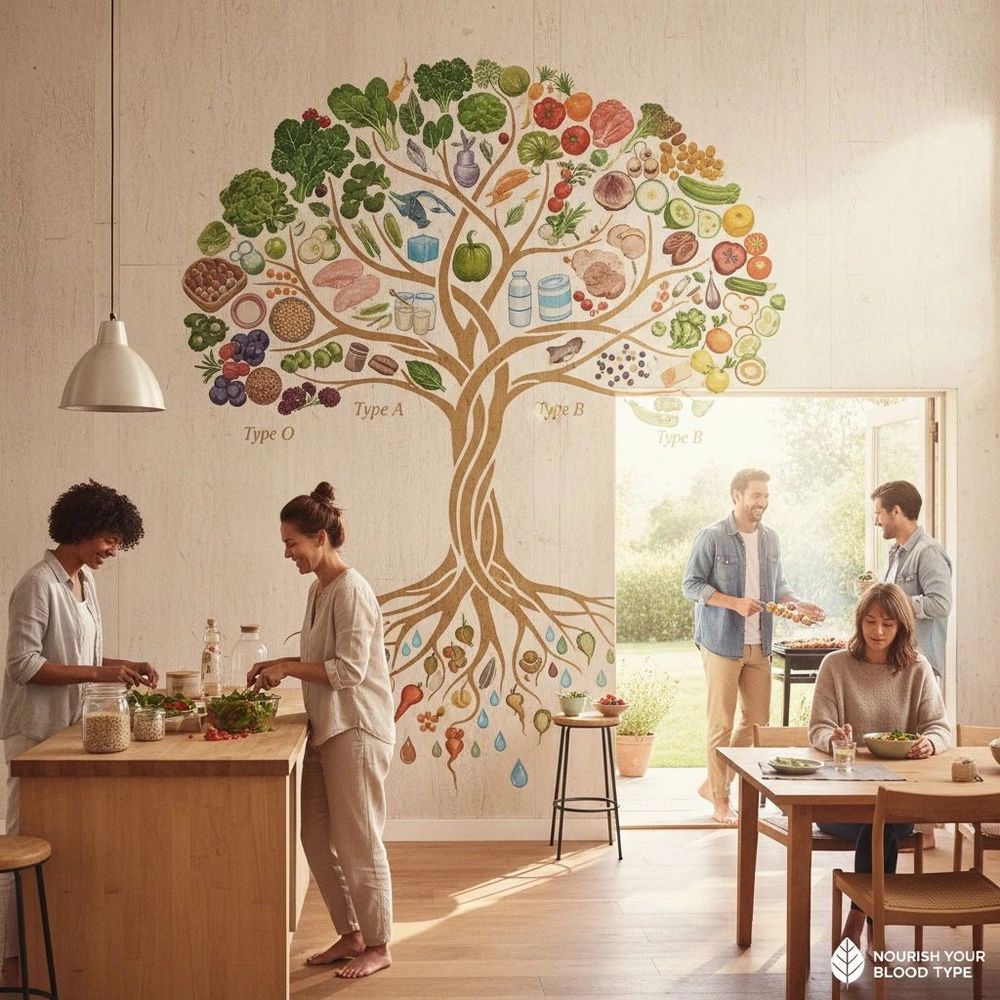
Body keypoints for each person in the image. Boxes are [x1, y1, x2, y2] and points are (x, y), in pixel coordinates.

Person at [1, 480, 157, 985]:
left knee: (64, 838)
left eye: (117, 540)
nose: (113, 549)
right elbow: (23, 665)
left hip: (71, 731)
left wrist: (121, 664)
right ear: (82, 529)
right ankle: (11, 954)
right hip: (35, 734)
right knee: (20, 836)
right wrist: (99, 674)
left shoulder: (85, 583)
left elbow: (83, 660)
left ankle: (57, 940)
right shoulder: (37, 584)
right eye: (108, 538)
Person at [248, 483, 394, 980]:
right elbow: (317, 661)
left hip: (356, 729)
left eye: (292, 544)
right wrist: (280, 664)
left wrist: (287, 666)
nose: (287, 553)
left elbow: (349, 671)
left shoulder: (352, 590)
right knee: (314, 836)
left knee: (359, 841)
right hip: (326, 730)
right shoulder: (320, 588)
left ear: (319, 537)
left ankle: (379, 943)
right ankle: (351, 933)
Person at [809, 582, 951, 949]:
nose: (878, 632)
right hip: (841, 800)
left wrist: (929, 742)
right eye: (870, 622)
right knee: (879, 826)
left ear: (902, 627)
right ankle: (873, 923)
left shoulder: (918, 668)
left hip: (897, 797)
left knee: (884, 819)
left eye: (888, 625)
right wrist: (834, 739)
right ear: (859, 622)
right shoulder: (835, 666)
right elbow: (819, 728)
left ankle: (856, 917)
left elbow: (938, 727)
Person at [682, 469, 823, 825]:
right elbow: (691, 585)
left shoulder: (770, 539)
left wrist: (796, 602)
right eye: (755, 496)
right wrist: (734, 603)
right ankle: (720, 801)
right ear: (736, 495)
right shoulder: (713, 536)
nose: (761, 503)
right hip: (721, 643)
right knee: (721, 723)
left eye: (766, 497)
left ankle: (716, 780)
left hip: (760, 643)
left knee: (758, 721)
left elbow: (778, 586)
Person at [870, 480, 952, 680]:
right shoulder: (896, 553)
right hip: (898, 662)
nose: (876, 521)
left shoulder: (928, 552)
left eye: (878, 513)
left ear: (895, 511)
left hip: (920, 666)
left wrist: (898, 599)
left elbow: (941, 605)